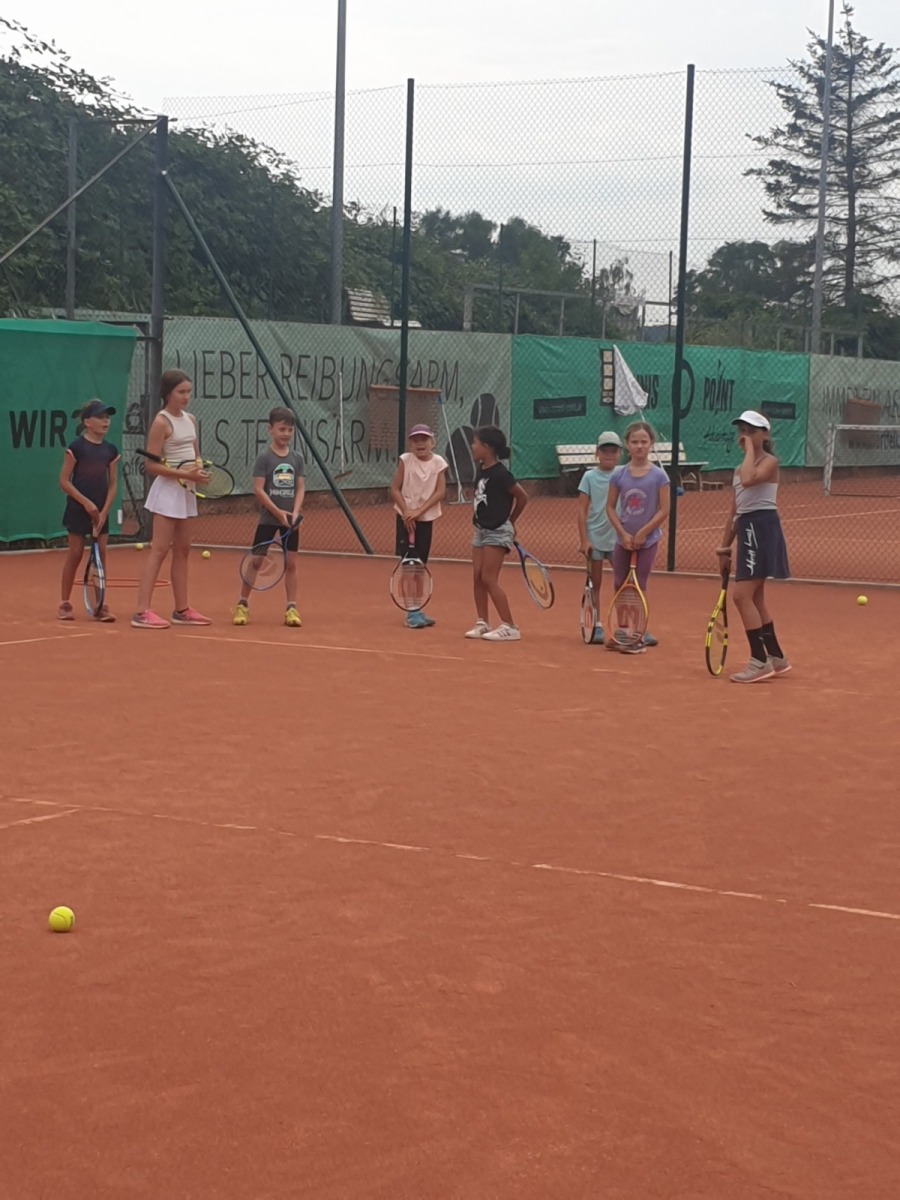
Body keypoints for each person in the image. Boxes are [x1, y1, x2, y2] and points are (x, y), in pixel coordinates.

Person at [132, 369, 211, 629]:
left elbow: (195, 455)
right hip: (167, 492)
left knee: (183, 550)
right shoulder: (161, 422)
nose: (186, 396)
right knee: (159, 550)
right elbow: (150, 466)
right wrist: (184, 473)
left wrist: (199, 470)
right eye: (181, 392)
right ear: (168, 393)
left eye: (189, 391)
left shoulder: (191, 420)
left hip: (186, 492)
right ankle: (142, 611)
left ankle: (182, 609)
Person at [716, 409, 791, 683]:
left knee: (741, 596)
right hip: (748, 528)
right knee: (755, 597)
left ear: (764, 435)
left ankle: (759, 661)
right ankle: (776, 657)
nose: (744, 435)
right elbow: (735, 511)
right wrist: (724, 548)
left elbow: (749, 480)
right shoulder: (739, 469)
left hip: (762, 528)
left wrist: (749, 449)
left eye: (751, 431)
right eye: (742, 430)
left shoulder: (770, 462)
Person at [233, 407, 306, 627]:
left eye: (290, 430)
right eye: (282, 429)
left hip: (290, 522)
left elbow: (300, 488)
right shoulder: (264, 458)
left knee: (291, 564)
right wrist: (277, 512)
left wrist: (295, 512)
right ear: (270, 429)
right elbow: (258, 489)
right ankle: (242, 604)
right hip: (268, 519)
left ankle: (291, 608)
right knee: (256, 561)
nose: (286, 434)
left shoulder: (297, 458)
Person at [605, 420, 670, 654]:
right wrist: (622, 534)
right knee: (619, 584)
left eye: (644, 441)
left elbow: (664, 509)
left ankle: (638, 633)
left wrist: (644, 532)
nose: (639, 446)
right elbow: (610, 507)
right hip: (623, 541)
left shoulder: (659, 476)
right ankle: (622, 631)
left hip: (648, 541)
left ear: (651, 444)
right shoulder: (619, 475)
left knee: (639, 586)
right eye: (635, 442)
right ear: (627, 445)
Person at [58, 399, 119, 622]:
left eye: (107, 417)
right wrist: (85, 503)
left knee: (100, 556)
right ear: (87, 422)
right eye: (100, 417)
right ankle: (65, 603)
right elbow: (64, 481)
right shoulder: (76, 448)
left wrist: (103, 512)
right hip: (78, 508)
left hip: (100, 511)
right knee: (75, 553)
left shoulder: (110, 450)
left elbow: (113, 484)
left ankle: (99, 604)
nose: (106, 421)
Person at [466, 425, 529, 642]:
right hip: (480, 530)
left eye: (475, 443)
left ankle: (510, 626)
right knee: (477, 577)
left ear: (487, 447)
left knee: (489, 578)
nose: (472, 446)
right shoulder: (482, 470)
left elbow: (522, 497)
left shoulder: (502, 474)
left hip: (497, 530)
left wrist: (510, 522)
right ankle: (482, 622)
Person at [388, 424, 448, 628]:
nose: (420, 443)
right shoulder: (406, 460)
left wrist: (419, 511)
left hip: (425, 520)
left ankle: (418, 608)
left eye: (424, 439)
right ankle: (411, 612)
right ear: (410, 444)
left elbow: (440, 492)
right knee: (409, 567)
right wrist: (407, 512)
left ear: (433, 442)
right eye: (415, 440)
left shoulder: (438, 463)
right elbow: (395, 489)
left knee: (420, 567)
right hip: (405, 521)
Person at [576, 431, 623, 642]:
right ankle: (596, 624)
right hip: (595, 539)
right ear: (597, 453)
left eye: (613, 451)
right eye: (605, 451)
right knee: (595, 583)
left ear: (620, 453)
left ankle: (626, 625)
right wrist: (584, 540)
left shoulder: (623, 474)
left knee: (622, 582)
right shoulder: (589, 477)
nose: (609, 455)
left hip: (618, 539)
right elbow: (582, 509)